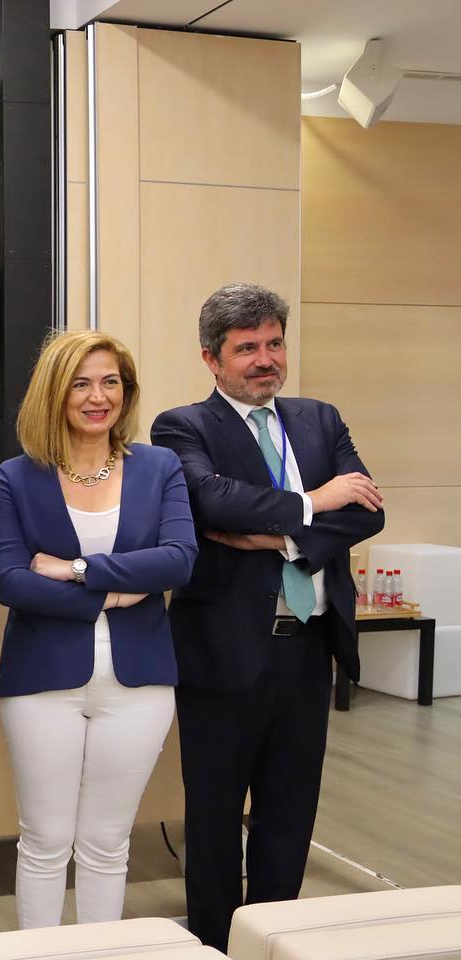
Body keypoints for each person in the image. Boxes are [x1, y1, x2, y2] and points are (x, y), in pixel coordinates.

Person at [151, 282, 385, 950]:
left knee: (289, 812)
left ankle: (273, 940)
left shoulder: (320, 420)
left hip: (308, 647)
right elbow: (213, 502)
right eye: (246, 347)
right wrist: (316, 501)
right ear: (211, 358)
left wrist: (281, 538)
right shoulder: (183, 427)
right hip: (221, 651)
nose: (265, 359)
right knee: (215, 813)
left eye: (274, 343)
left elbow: (368, 511)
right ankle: (215, 943)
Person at [0, 330, 196, 928]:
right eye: (80, 383)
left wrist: (76, 570)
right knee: (45, 841)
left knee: (108, 843)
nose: (97, 397)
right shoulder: (15, 476)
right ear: (55, 393)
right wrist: (116, 594)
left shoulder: (159, 467)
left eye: (110, 382)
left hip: (141, 681)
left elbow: (179, 560)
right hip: (41, 681)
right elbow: (11, 582)